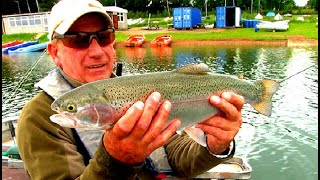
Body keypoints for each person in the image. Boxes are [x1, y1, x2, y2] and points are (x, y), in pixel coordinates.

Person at [16, 0, 244, 179]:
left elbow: (178, 160)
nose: (96, 51)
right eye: (78, 40)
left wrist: (215, 145)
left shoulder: (139, 92)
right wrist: (117, 160)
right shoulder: (39, 118)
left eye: (104, 37)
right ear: (54, 53)